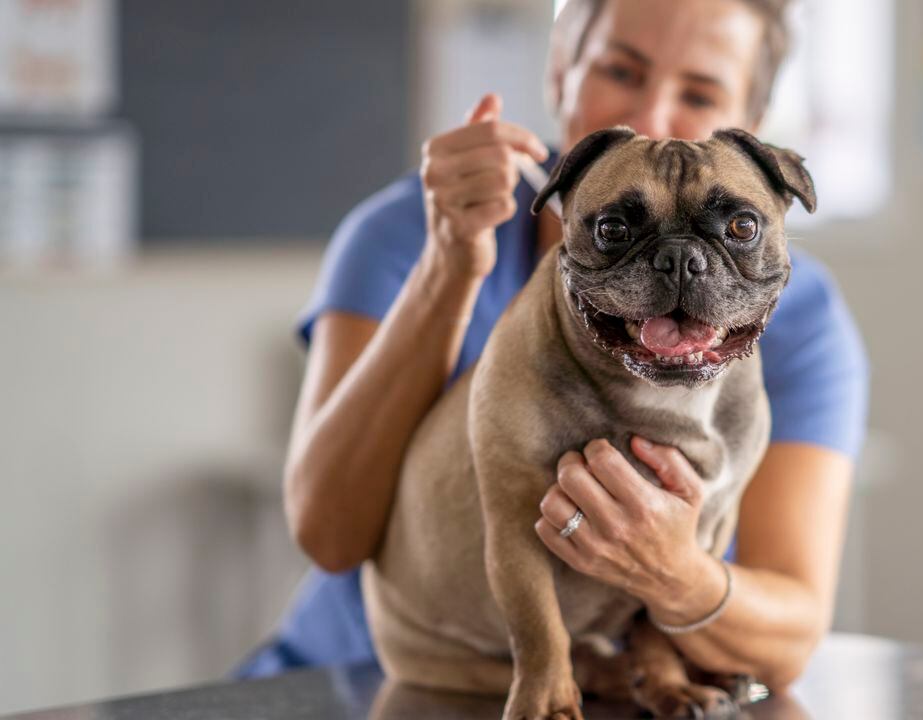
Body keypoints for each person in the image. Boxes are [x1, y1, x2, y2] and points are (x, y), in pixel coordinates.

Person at [237, 0, 868, 692]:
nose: (655, 115)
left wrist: (674, 574)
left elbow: (789, 641)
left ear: (752, 113)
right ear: (561, 70)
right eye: (621, 71)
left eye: (699, 93)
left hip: (615, 685)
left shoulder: (802, 317)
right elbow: (330, 537)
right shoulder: (406, 232)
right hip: (359, 671)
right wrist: (449, 267)